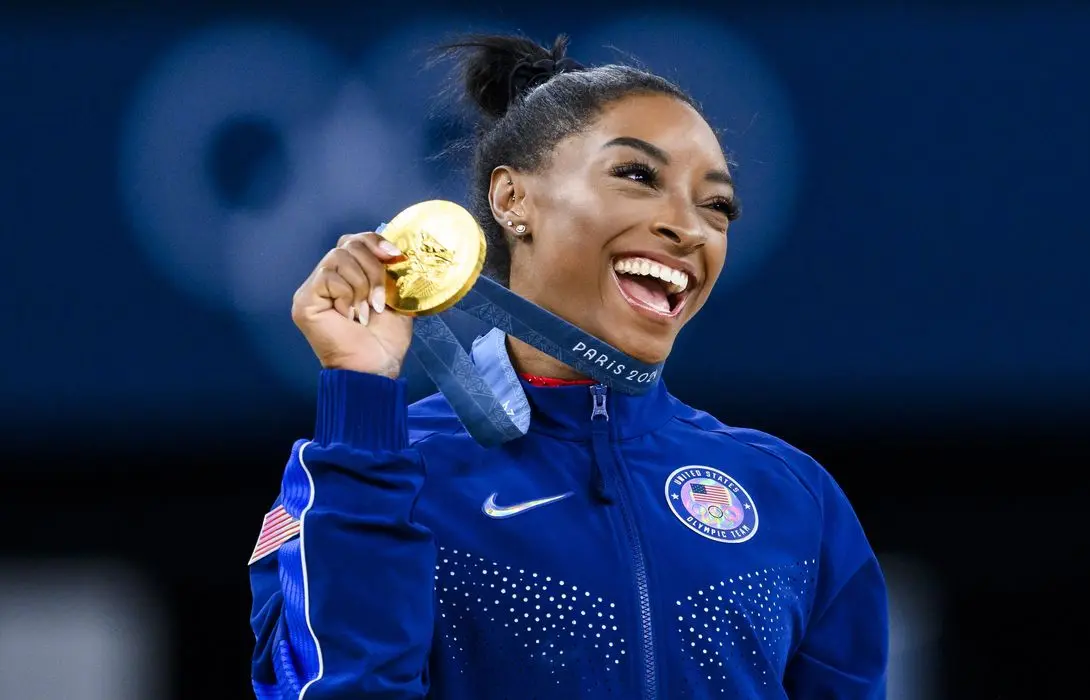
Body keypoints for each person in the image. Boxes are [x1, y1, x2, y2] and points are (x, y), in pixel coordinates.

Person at [248, 32, 888, 699]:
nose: (689, 228)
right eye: (637, 176)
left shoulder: (791, 496)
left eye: (716, 206)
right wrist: (361, 395)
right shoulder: (377, 469)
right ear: (512, 199)